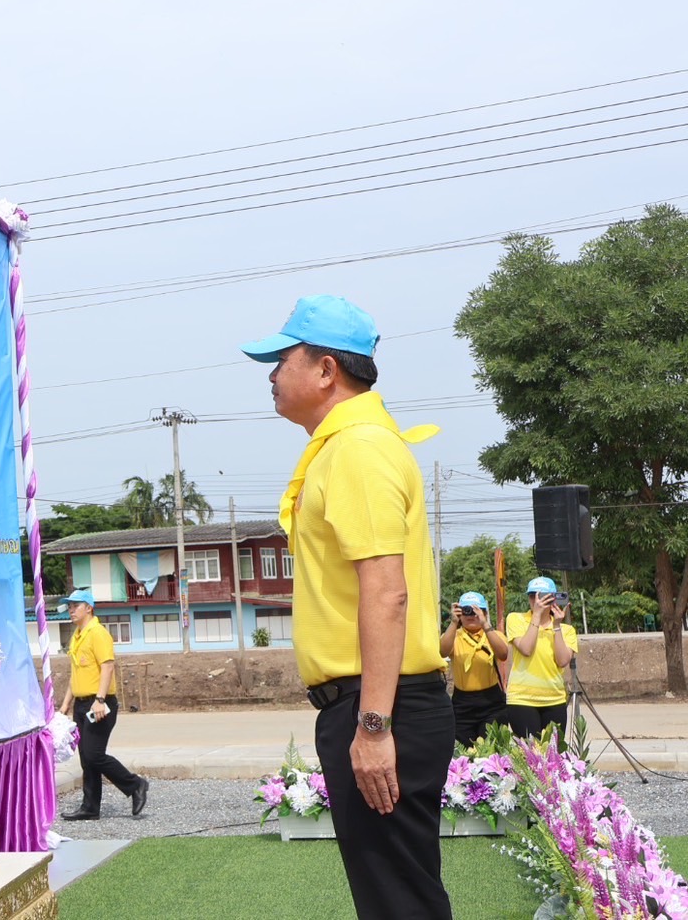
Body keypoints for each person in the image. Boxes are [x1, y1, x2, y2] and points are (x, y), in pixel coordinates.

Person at [242, 294, 452, 920]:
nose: (272, 374)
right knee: (397, 895)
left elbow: (386, 592)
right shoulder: (347, 446)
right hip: (377, 702)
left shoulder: (358, 448)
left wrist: (374, 725)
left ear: (327, 369)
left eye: (283, 358)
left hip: (380, 704)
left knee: (398, 901)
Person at [58, 589, 148, 821]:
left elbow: (107, 667)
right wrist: (65, 705)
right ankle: (90, 807)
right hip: (81, 703)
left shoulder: (98, 633)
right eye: (69, 606)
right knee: (86, 758)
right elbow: (75, 673)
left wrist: (99, 700)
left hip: (100, 703)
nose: (71, 610)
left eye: (75, 606)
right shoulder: (77, 635)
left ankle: (135, 784)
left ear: (88, 608)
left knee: (94, 755)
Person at [504, 576, 578, 744]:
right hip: (522, 698)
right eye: (532, 596)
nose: (536, 600)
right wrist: (536, 616)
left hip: (554, 698)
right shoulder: (516, 619)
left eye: (542, 596)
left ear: (553, 599)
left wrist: (557, 626)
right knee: (529, 755)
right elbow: (526, 649)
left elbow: (562, 661)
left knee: (553, 755)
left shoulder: (567, 630)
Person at [440, 591, 508, 747]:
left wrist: (485, 625)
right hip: (463, 702)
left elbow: (503, 654)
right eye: (466, 611)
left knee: (492, 747)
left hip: (491, 700)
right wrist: (453, 622)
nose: (470, 615)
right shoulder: (454, 636)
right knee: (464, 750)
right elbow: (443, 651)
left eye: (476, 611)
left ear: (484, 612)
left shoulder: (493, 634)